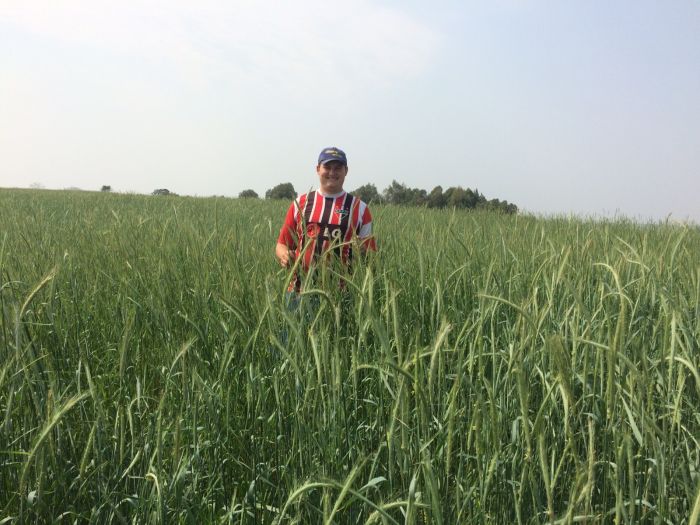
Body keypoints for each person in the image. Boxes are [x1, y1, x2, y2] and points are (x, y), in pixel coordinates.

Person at [275, 147, 376, 293]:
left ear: (346, 171)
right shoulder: (300, 203)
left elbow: (371, 255)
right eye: (327, 167)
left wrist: (361, 248)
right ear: (318, 169)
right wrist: (285, 255)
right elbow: (281, 244)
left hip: (343, 295)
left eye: (337, 168)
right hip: (299, 291)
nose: (332, 173)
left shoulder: (360, 209)